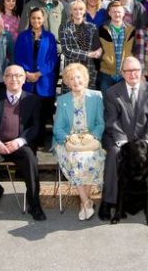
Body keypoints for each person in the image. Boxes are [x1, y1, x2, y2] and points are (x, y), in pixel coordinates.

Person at [0, 64, 46, 220]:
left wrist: (20, 141)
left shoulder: (32, 99)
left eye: (18, 75)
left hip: (20, 145)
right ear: (4, 79)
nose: (14, 78)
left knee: (31, 162)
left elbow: (36, 126)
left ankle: (34, 204)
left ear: (24, 80)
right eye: (9, 75)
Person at [98, 57, 148, 221]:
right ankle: (108, 201)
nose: (133, 74)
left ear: (141, 72)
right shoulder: (112, 92)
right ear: (122, 73)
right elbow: (112, 120)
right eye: (128, 71)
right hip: (119, 138)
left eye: (136, 70)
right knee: (114, 153)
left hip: (143, 140)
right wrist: (124, 142)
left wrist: (147, 141)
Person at [53, 63, 106, 221]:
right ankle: (86, 201)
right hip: (70, 141)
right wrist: (68, 138)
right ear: (67, 82)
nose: (76, 81)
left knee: (90, 157)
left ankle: (85, 204)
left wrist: (94, 136)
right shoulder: (62, 100)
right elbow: (58, 128)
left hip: (91, 140)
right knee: (76, 158)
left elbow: (101, 123)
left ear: (85, 78)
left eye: (78, 77)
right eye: (71, 78)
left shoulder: (97, 97)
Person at [15, 7, 60, 127]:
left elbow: (52, 59)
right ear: (29, 19)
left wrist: (39, 74)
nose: (36, 20)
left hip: (44, 80)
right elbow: (18, 57)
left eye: (39, 18)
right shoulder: (22, 36)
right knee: (27, 112)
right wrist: (27, 73)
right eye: (33, 18)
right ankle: (28, 141)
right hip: (26, 79)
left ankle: (40, 142)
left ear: (43, 19)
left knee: (42, 113)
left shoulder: (49, 37)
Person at [60, 0, 102, 90]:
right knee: (70, 96)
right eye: (75, 9)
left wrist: (100, 50)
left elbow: (98, 47)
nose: (78, 12)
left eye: (80, 9)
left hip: (89, 68)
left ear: (84, 11)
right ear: (71, 11)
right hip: (72, 68)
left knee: (89, 97)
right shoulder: (64, 27)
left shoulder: (92, 27)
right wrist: (87, 54)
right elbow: (66, 50)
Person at [97, 1, 137, 92]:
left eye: (119, 12)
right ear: (109, 13)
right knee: (106, 102)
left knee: (123, 103)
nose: (116, 14)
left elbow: (134, 51)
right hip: (107, 74)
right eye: (114, 12)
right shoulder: (102, 29)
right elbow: (98, 50)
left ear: (123, 13)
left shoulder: (131, 30)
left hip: (125, 73)